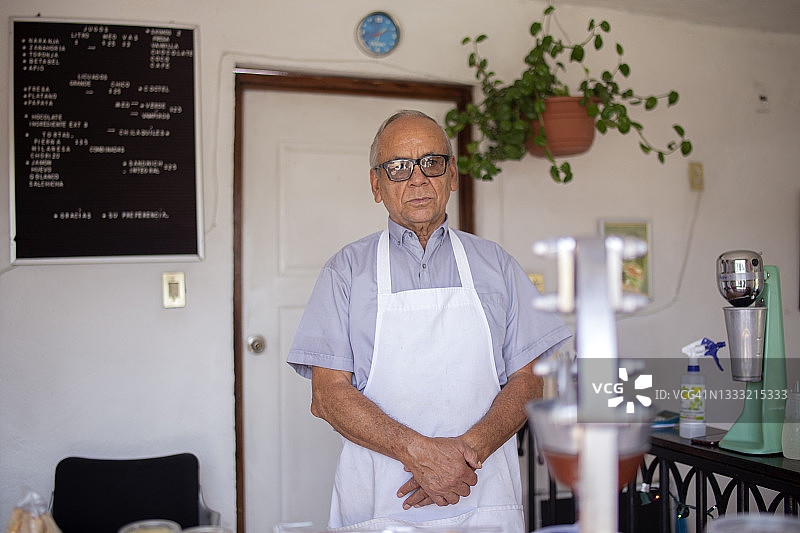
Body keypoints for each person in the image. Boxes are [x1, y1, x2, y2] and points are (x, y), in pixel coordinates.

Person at [287, 110, 571, 532]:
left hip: (484, 497)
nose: (418, 179)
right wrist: (418, 454)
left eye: (432, 163)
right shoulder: (344, 272)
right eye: (399, 167)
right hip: (382, 503)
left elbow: (529, 381)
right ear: (376, 185)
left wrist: (463, 457)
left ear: (452, 175)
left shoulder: (497, 265)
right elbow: (327, 395)